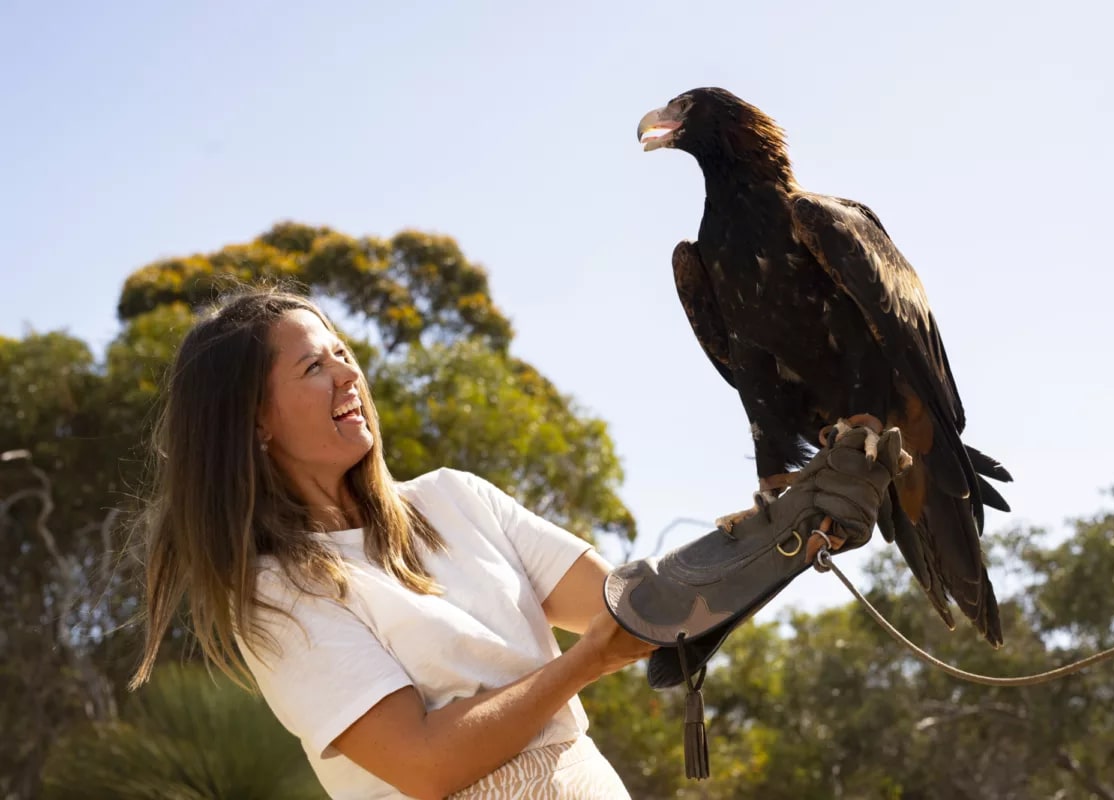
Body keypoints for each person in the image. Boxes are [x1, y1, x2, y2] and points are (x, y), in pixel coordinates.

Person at [127, 284, 898, 798]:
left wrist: (794, 525)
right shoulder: (277, 593)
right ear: (255, 423)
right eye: (311, 367)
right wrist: (585, 661)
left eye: (342, 354)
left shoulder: (455, 499)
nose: (346, 376)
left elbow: (642, 610)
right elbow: (424, 764)